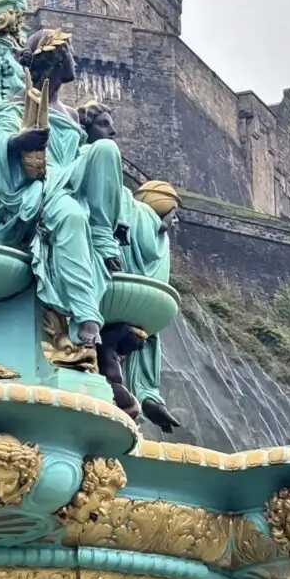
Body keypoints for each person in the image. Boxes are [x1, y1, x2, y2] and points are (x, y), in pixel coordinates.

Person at [0, 30, 124, 349]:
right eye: (70, 53)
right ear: (57, 61)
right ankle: (86, 314)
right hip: (40, 188)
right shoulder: (19, 105)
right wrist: (19, 141)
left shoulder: (72, 114)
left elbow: (92, 168)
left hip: (68, 179)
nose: (75, 59)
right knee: (71, 215)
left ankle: (102, 235)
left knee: (105, 150)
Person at [117, 180, 183, 433]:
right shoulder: (143, 218)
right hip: (139, 296)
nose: (174, 222)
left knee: (144, 337)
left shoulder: (149, 228)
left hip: (126, 293)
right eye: (174, 213)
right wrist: (161, 223)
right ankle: (147, 393)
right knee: (147, 337)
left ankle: (146, 396)